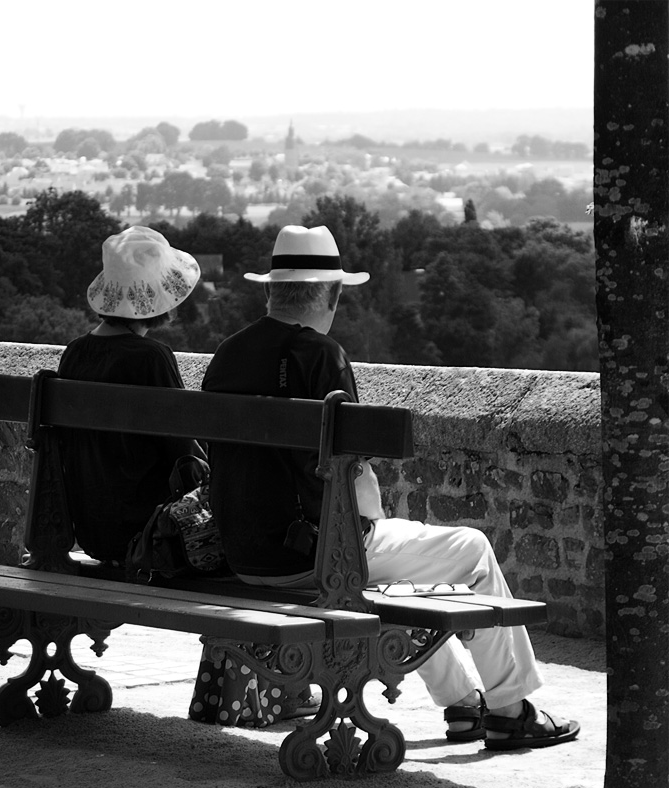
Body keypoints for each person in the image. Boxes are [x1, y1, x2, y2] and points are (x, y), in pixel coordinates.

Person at [193, 224, 580, 751]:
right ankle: (510, 709)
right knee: (472, 550)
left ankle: (464, 705)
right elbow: (353, 470)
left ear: (270, 291)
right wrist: (371, 525)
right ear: (331, 294)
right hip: (313, 555)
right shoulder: (323, 354)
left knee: (399, 572)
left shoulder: (227, 355)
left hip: (245, 555)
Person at [56, 225, 204, 565]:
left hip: (91, 530)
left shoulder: (75, 353)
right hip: (151, 531)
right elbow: (182, 452)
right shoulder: (151, 357)